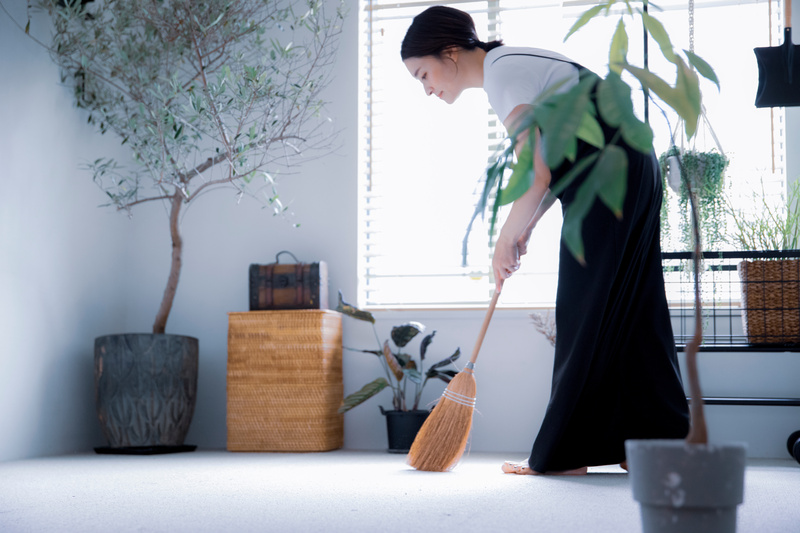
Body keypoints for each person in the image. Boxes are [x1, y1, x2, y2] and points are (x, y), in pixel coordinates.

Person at [401, 6, 690, 475]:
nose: (428, 89)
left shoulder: (502, 75)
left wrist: (502, 240)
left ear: (450, 53)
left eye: (423, 74)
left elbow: (533, 175)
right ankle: (647, 447)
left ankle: (565, 455)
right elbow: (554, 167)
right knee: (633, 308)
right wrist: (527, 228)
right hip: (632, 168)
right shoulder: (515, 63)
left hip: (608, 176)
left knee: (583, 307)